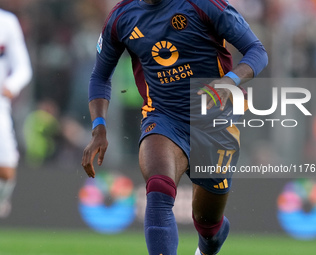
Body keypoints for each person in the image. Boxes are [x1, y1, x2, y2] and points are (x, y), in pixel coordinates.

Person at [82, 0, 268, 254]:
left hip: (214, 120)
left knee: (208, 224)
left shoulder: (203, 4)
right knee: (158, 188)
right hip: (163, 116)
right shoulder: (120, 18)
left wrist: (229, 81)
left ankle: (209, 241)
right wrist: (99, 128)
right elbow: (100, 76)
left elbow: (257, 51)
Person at [0, 8, 32, 218]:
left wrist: (11, 85)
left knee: (6, 168)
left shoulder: (7, 22)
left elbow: (23, 68)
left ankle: (2, 200)